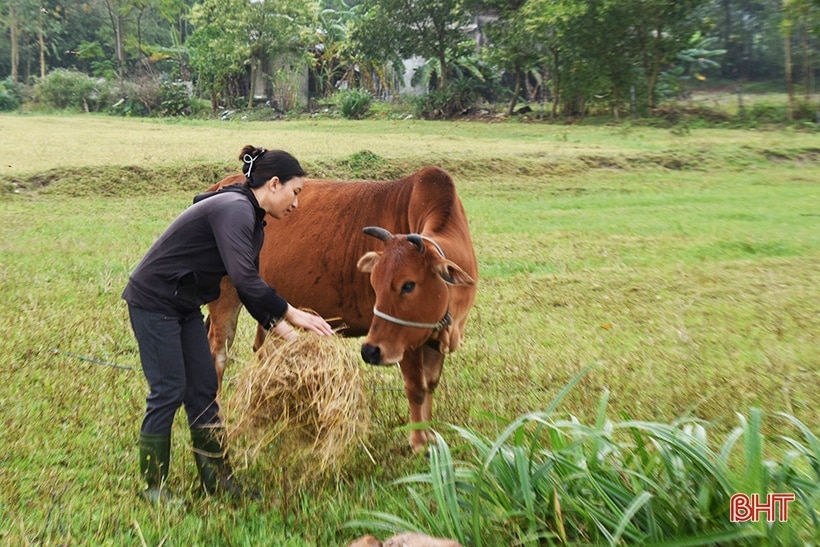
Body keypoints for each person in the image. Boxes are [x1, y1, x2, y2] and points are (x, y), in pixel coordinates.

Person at [122, 145, 333, 504]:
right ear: (274, 184)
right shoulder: (234, 209)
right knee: (169, 389)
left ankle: (217, 480)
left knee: (203, 391)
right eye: (295, 193)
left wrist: (285, 332)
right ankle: (154, 487)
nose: (296, 204)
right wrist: (293, 313)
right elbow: (247, 280)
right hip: (154, 300)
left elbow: (245, 287)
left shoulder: (253, 222)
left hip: (185, 304)